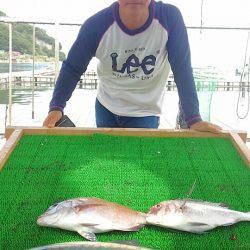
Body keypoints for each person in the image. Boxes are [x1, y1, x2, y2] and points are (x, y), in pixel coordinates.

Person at [43, 0, 221, 132]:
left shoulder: (170, 18)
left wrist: (193, 118)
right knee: (108, 164)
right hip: (107, 106)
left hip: (146, 111)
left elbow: (182, 68)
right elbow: (72, 68)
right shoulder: (95, 25)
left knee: (140, 169)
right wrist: (56, 107)